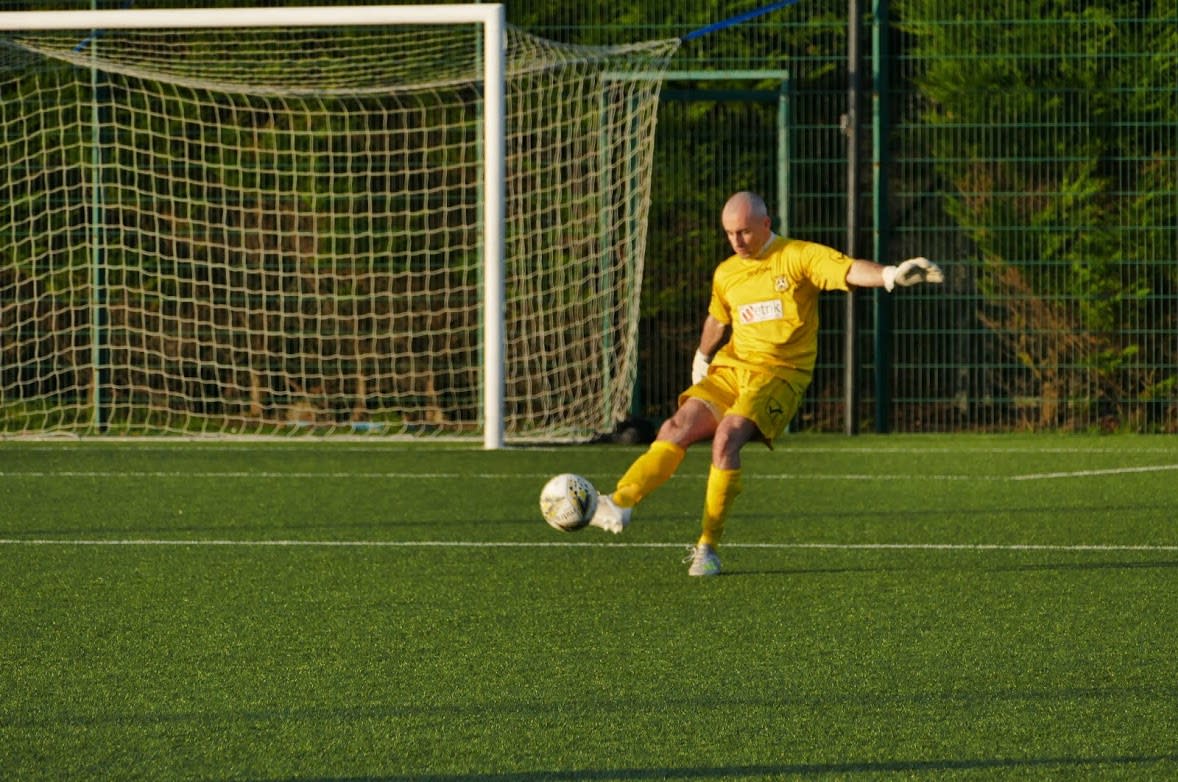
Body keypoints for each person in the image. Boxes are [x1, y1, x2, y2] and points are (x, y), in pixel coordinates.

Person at [587, 190, 943, 576]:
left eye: (743, 232)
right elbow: (717, 320)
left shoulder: (798, 256)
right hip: (731, 369)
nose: (736, 241)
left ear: (766, 224)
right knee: (675, 427)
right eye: (729, 234)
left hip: (779, 376)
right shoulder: (727, 272)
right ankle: (620, 503)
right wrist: (702, 359)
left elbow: (848, 270)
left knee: (726, 439)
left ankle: (707, 547)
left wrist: (890, 275)